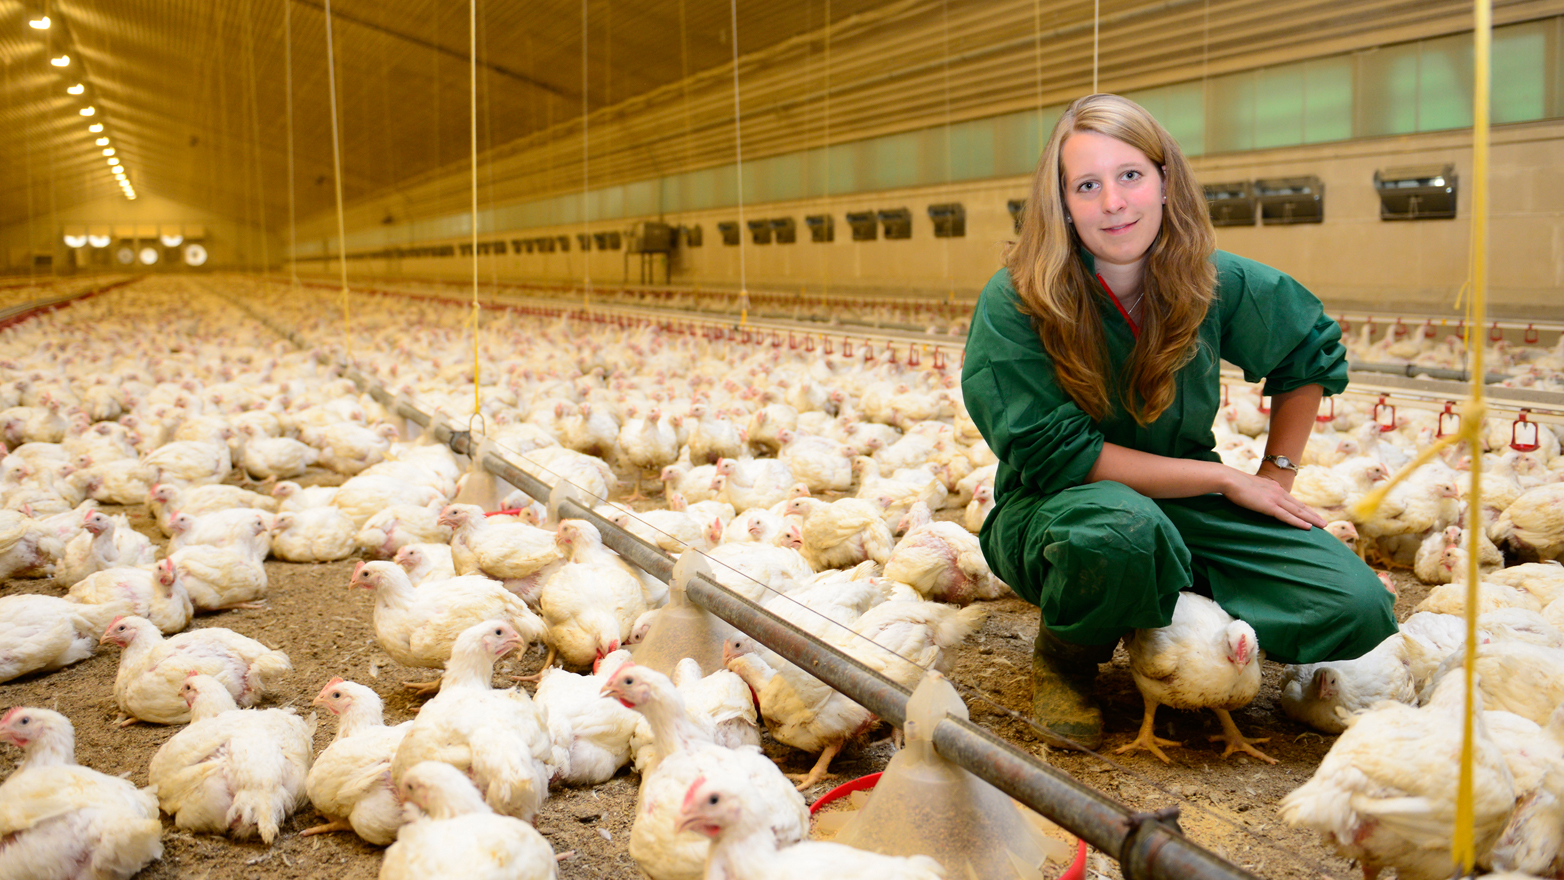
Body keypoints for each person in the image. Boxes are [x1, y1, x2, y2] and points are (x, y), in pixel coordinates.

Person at [960, 93, 1398, 751]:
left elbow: (1305, 348)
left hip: (1185, 505)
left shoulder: (1210, 280)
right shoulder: (1020, 300)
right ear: (1062, 203)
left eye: (1131, 175)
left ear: (1166, 182)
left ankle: (1169, 598)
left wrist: (1275, 472)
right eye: (1087, 185)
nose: (1114, 201)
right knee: (1122, 535)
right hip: (1060, 513)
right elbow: (1057, 453)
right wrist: (1225, 482)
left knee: (1353, 603)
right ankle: (1066, 657)